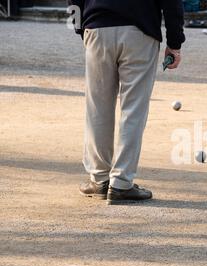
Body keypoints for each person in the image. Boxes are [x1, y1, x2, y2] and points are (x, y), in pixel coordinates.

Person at [68, 0, 185, 205]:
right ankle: (121, 183)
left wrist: (81, 27)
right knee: (133, 109)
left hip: (97, 26)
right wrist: (175, 42)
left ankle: (99, 179)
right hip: (140, 30)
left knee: (97, 109)